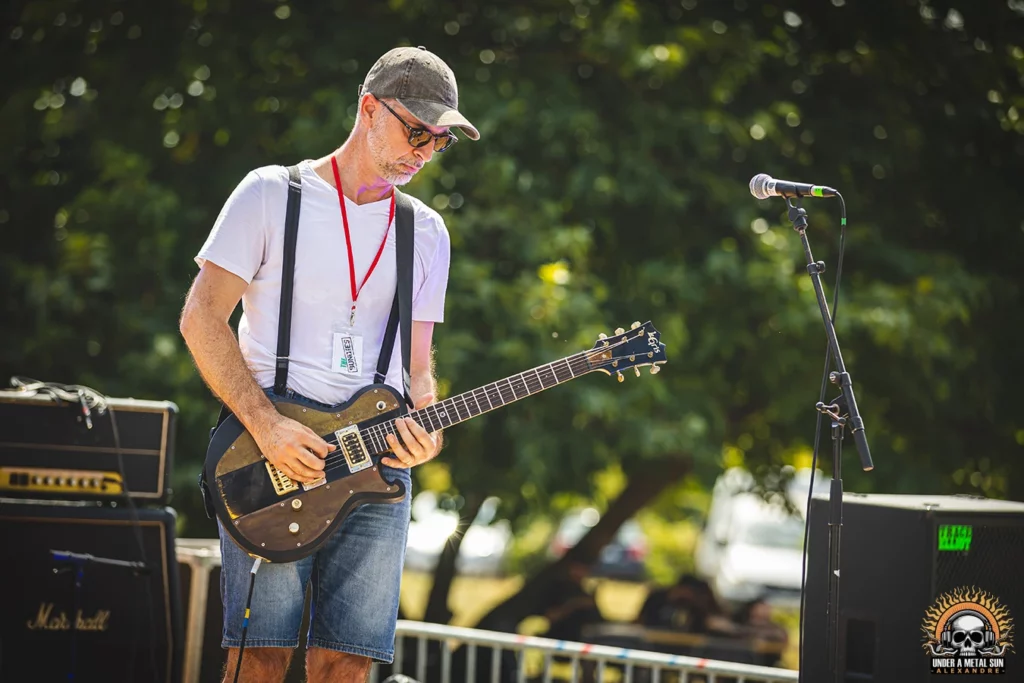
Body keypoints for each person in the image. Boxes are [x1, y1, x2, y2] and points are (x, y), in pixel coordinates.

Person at [179, 46, 479, 683]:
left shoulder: (427, 232)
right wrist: (266, 426)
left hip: (378, 473)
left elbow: (419, 370)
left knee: (348, 662)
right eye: (416, 130)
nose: (425, 151)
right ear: (369, 109)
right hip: (271, 460)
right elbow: (201, 320)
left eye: (440, 141)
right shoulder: (269, 194)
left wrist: (428, 428)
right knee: (258, 656)